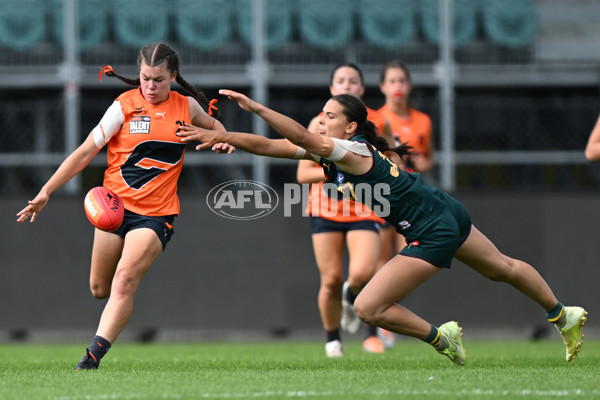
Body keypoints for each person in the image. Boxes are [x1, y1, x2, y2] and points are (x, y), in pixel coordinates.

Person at [177, 90, 588, 365]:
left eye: (330, 116)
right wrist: (223, 134)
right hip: (443, 209)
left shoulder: (350, 150)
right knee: (503, 268)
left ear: (350, 127)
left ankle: (443, 338)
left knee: (369, 307)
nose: (322, 120)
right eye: (321, 114)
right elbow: (272, 146)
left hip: (431, 228)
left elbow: (297, 136)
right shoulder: (332, 154)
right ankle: (563, 314)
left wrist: (257, 108)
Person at [16, 42, 233, 370]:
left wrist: (217, 141)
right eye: (145, 78)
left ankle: (91, 357)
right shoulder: (124, 106)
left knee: (124, 278)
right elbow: (85, 151)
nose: (150, 86)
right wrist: (46, 190)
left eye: (159, 79)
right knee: (99, 288)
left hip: (156, 214)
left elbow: (219, 131)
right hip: (114, 208)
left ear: (173, 76)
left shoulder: (186, 107)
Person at [297, 63, 393, 356]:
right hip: (325, 209)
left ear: (362, 90)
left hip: (364, 207)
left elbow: (388, 165)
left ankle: (351, 301)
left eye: (353, 81)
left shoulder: (377, 123)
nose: (347, 85)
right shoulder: (318, 125)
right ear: (331, 89)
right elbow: (302, 174)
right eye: (341, 81)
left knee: (364, 273)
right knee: (330, 280)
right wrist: (338, 170)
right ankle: (332, 340)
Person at [377, 60, 434, 283]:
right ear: (383, 87)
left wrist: (422, 163)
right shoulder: (376, 119)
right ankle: (375, 310)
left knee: (408, 258)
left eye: (401, 80)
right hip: (382, 195)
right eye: (392, 81)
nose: (397, 85)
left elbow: (429, 158)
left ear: (409, 85)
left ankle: (388, 306)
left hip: (410, 197)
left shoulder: (423, 121)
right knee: (380, 261)